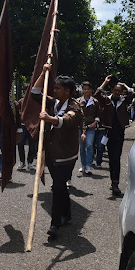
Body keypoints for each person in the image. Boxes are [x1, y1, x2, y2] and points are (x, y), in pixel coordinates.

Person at [32, 63, 83, 238]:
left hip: (66, 156)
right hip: (52, 154)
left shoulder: (75, 107)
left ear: (67, 91)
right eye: (53, 87)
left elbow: (66, 121)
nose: (54, 90)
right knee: (60, 187)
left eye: (58, 88)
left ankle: (54, 224)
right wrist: (43, 72)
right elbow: (35, 93)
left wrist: (49, 118)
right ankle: (67, 213)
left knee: (58, 187)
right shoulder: (54, 102)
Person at [95, 75, 135, 196]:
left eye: (119, 91)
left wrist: (124, 85)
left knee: (116, 158)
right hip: (108, 132)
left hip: (119, 133)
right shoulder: (106, 99)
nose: (117, 93)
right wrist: (105, 82)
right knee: (110, 157)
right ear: (112, 90)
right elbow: (96, 95)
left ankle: (115, 183)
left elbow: (132, 93)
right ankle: (113, 181)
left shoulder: (124, 100)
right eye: (115, 90)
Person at [78, 81, 99, 175]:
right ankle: (83, 165)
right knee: (82, 147)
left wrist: (95, 122)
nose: (86, 91)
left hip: (91, 127)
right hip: (80, 128)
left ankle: (89, 165)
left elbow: (98, 114)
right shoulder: (78, 101)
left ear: (91, 90)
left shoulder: (95, 102)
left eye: (88, 89)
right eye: (84, 89)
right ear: (82, 90)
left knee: (89, 145)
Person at [15, 96, 37, 171]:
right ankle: (22, 162)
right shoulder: (21, 101)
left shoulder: (35, 101)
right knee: (20, 143)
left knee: (32, 144)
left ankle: (30, 162)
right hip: (23, 125)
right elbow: (17, 112)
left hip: (32, 126)